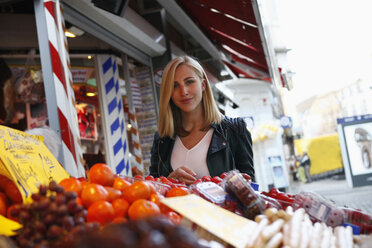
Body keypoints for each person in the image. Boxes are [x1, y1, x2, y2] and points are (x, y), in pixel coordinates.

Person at [149, 56, 254, 185]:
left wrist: (222, 187)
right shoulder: (161, 139)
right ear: (169, 93)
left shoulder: (235, 129)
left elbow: (250, 193)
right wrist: (169, 182)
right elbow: (153, 188)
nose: (184, 91)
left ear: (203, 84)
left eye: (189, 82)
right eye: (175, 86)